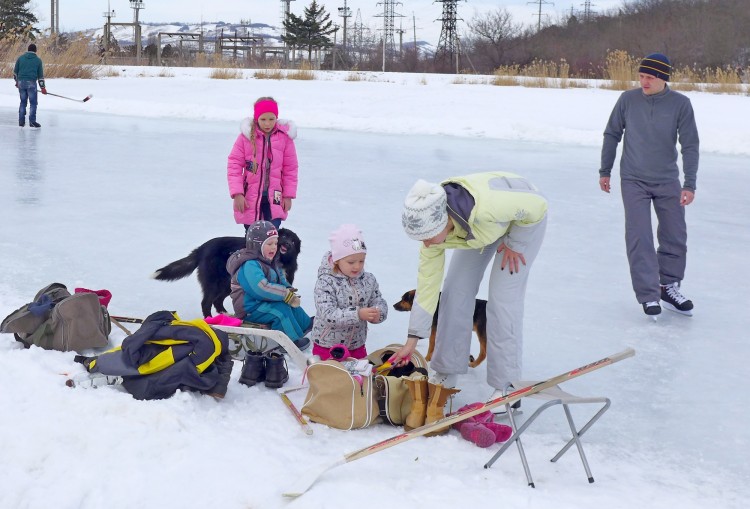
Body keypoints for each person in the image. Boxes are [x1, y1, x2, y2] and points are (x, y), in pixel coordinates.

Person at [390, 172, 548, 417]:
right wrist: (413, 339)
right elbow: (428, 289)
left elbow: (537, 207)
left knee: (503, 300)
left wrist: (515, 243)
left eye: (428, 237)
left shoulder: (488, 207)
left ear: (442, 223)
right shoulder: (433, 235)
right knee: (454, 292)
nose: (426, 245)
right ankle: (445, 369)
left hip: (522, 216)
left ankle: (507, 389)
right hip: (476, 228)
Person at [599, 53, 699, 317]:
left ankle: (668, 286)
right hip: (634, 179)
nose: (643, 81)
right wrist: (605, 170)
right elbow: (612, 134)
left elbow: (690, 145)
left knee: (675, 236)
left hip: (668, 180)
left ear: (662, 78)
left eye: (649, 77)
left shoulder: (681, 104)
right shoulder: (627, 100)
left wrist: (689, 184)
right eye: (641, 76)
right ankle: (648, 295)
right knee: (639, 236)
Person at [226, 220, 311, 350]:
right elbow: (260, 288)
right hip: (250, 308)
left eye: (275, 243)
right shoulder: (250, 265)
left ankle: (304, 324)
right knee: (280, 311)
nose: (274, 247)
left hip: (261, 303)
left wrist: (288, 289)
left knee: (287, 304)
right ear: (256, 245)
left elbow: (280, 277)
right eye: (269, 244)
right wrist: (283, 294)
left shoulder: (269, 260)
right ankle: (288, 342)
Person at [309, 224, 388, 360]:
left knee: (358, 378)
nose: (357, 266)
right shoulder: (326, 282)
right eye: (351, 262)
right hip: (328, 346)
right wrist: (357, 314)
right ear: (337, 260)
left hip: (357, 345)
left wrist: (378, 312)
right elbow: (328, 314)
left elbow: (378, 300)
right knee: (331, 378)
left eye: (361, 261)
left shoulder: (368, 279)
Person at [227, 96, 299, 231]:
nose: (267, 124)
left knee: (271, 235)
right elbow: (234, 166)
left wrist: (288, 195)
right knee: (253, 237)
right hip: (250, 197)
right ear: (256, 119)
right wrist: (237, 193)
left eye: (271, 119)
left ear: (276, 118)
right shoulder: (245, 138)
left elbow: (291, 169)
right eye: (263, 119)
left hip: (275, 198)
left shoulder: (285, 138)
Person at [13, 43, 47, 128]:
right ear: (35, 51)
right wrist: (43, 88)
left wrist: (17, 82)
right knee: (33, 103)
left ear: (28, 50)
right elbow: (40, 76)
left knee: (23, 102)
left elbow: (15, 73)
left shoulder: (20, 58)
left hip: (21, 83)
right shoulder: (38, 60)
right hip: (31, 83)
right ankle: (32, 122)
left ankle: (21, 121)